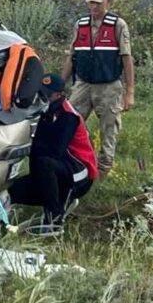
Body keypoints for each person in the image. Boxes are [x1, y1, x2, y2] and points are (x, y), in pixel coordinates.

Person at [61, 0, 135, 175]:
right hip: (83, 83)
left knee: (109, 127)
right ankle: (74, 161)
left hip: (109, 85)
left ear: (108, 1)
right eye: (91, 2)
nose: (94, 7)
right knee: (70, 121)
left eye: (98, 3)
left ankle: (104, 168)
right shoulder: (81, 24)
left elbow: (127, 59)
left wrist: (130, 92)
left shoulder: (117, 25)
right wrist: (61, 84)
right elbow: (72, 56)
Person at [8, 73, 98, 226]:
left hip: (81, 175)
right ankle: (56, 199)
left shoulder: (68, 116)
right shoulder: (48, 112)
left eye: (48, 95)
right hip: (62, 168)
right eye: (41, 94)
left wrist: (28, 148)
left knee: (44, 162)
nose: (44, 98)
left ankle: (54, 218)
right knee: (12, 192)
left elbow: (55, 151)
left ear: (59, 95)